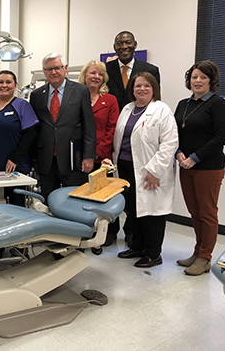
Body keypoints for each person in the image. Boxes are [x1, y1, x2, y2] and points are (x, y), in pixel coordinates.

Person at [114, 72, 178, 268]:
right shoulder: (127, 109)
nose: (141, 89)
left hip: (149, 171)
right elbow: (120, 139)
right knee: (133, 211)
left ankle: (153, 254)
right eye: (137, 86)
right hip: (125, 168)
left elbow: (170, 143)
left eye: (146, 86)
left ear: (154, 89)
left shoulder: (161, 110)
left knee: (152, 215)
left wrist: (155, 171)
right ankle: (137, 247)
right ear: (132, 90)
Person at [174, 61, 225, 276]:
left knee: (207, 213)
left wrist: (194, 158)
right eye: (194, 77)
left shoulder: (218, 104)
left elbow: (221, 138)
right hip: (184, 164)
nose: (197, 81)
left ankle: (205, 258)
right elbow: (174, 132)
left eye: (203, 77)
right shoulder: (183, 104)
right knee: (194, 212)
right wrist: (178, 152)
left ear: (211, 81)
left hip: (209, 167)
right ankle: (197, 251)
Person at [30, 53, 96, 199]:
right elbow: (34, 130)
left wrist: (89, 156)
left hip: (73, 160)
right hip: (46, 161)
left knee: (73, 202)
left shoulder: (80, 91)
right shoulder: (36, 95)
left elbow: (89, 126)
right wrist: (33, 159)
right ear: (44, 72)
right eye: (49, 69)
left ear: (65, 68)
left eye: (57, 68)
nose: (53, 72)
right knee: (48, 201)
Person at [78, 60, 119, 255]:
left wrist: (97, 153)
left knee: (100, 199)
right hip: (78, 157)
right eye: (92, 73)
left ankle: (98, 238)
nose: (96, 77)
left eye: (100, 74)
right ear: (85, 75)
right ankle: (82, 234)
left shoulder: (109, 100)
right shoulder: (77, 96)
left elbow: (112, 130)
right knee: (81, 197)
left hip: (101, 158)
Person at [0, 70, 38, 206]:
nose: (4, 85)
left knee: (16, 206)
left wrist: (14, 158)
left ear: (15, 85)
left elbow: (31, 134)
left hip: (15, 166)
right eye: (1, 82)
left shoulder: (22, 105)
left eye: (8, 82)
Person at [106, 31, 161, 110]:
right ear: (114, 47)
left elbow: (155, 99)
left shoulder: (150, 70)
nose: (124, 47)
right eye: (119, 43)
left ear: (135, 45)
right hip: (111, 119)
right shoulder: (105, 70)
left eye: (128, 42)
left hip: (141, 118)